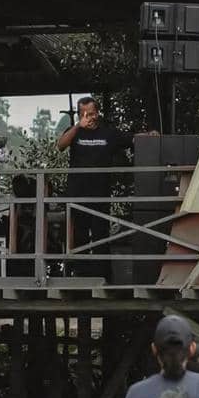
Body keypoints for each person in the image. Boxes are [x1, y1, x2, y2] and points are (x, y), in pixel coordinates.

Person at [56, 96, 139, 275]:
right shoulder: (75, 131)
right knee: (80, 237)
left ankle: (104, 276)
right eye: (83, 113)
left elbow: (131, 139)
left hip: (100, 193)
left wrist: (149, 136)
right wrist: (78, 126)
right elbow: (60, 145)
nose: (88, 117)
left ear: (98, 113)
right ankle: (81, 277)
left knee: (101, 236)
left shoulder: (107, 133)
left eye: (91, 113)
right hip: (78, 194)